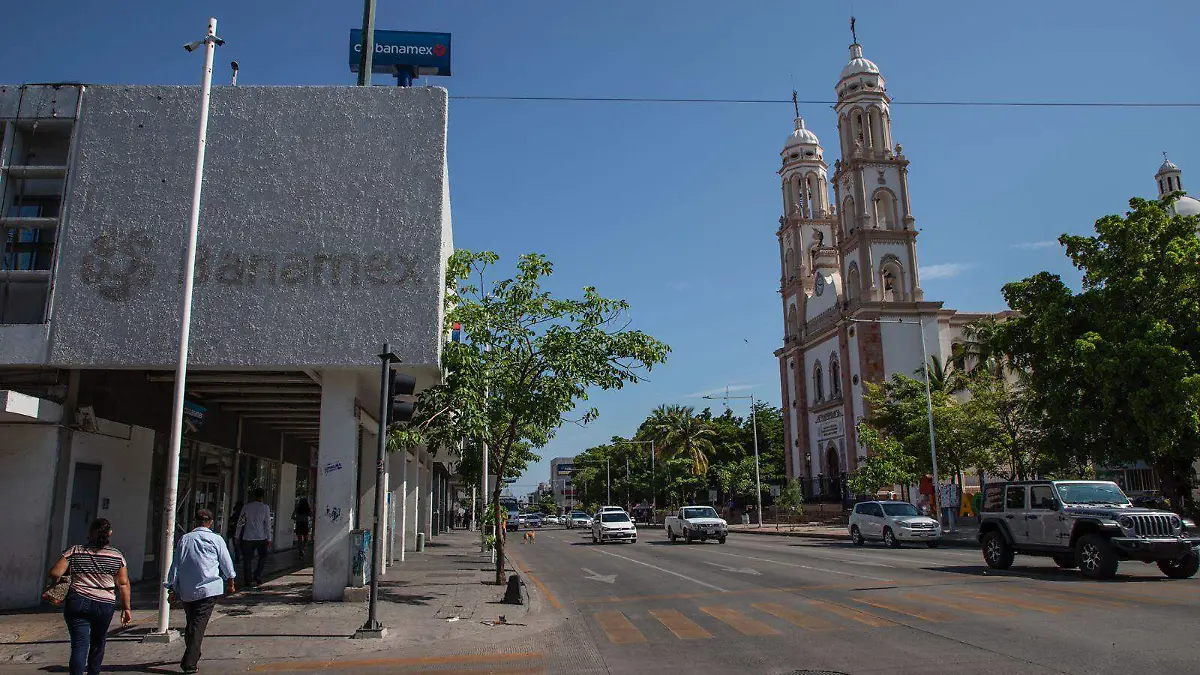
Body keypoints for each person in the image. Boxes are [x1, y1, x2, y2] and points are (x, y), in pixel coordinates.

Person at [47, 518, 132, 675]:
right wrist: (126, 608)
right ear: (110, 534)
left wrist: (65, 577)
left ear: (90, 533)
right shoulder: (117, 556)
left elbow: (54, 572)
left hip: (77, 601)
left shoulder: (75, 551)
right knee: (98, 643)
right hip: (104, 604)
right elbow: (123, 584)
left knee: (79, 645)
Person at [166, 510, 236, 674]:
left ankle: (192, 655)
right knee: (195, 626)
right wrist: (231, 581)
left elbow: (176, 564)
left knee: (193, 624)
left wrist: (172, 585)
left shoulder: (185, 539)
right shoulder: (215, 539)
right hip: (208, 588)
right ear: (211, 522)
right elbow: (225, 561)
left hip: (188, 589)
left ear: (195, 522)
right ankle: (190, 662)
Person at [236, 488, 272, 587]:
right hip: (261, 537)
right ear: (263, 496)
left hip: (248, 537)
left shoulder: (246, 507)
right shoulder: (265, 508)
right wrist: (269, 538)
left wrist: (237, 535)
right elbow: (268, 524)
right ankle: (258, 574)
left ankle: (248, 579)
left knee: (247, 559)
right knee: (263, 557)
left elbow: (241, 522)